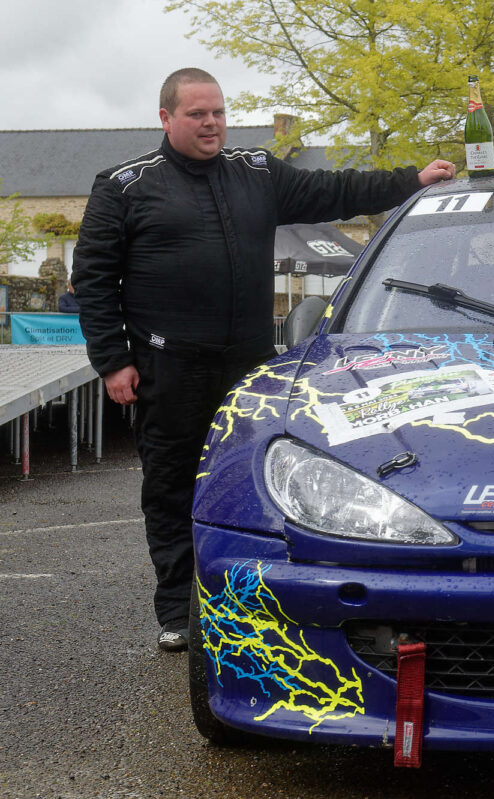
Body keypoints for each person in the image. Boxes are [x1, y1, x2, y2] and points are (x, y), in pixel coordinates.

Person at [72, 68, 456, 652]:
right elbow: (93, 279)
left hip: (248, 366)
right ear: (166, 118)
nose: (211, 123)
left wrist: (411, 179)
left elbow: (336, 191)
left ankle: (252, 606)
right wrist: (112, 360)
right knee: (172, 487)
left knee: (256, 484)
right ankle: (179, 610)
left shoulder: (255, 172)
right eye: (197, 114)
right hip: (166, 367)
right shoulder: (125, 185)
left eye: (219, 112)